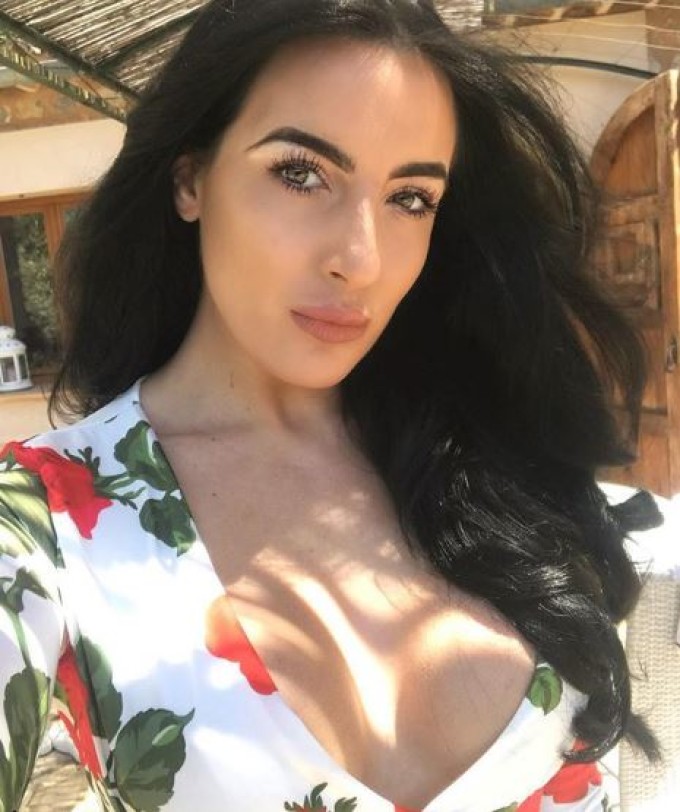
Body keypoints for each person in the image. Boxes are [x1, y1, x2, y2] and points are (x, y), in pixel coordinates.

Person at [0, 1, 662, 810]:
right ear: (190, 178)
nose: (362, 259)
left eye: (410, 198)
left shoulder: (487, 451)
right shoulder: (47, 526)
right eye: (300, 173)